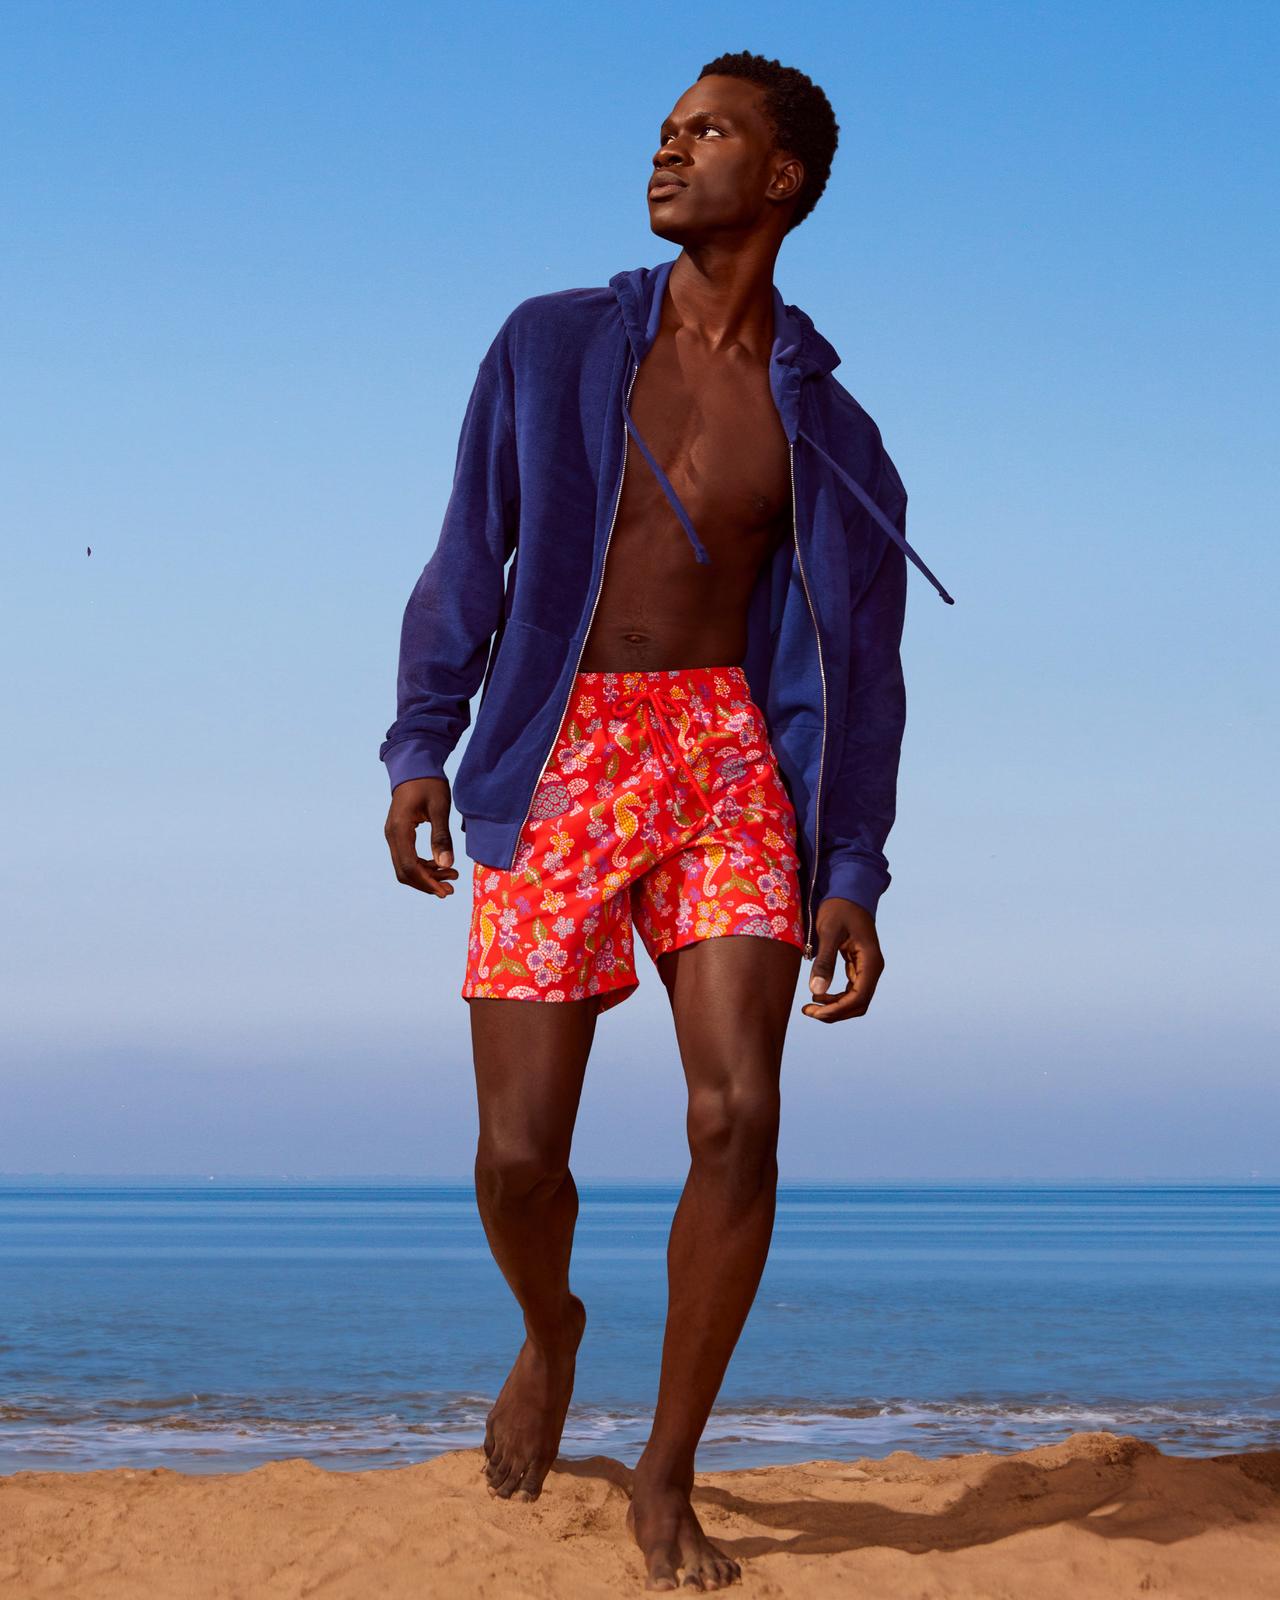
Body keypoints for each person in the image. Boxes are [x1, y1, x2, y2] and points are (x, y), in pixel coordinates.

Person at [381, 50, 953, 1593]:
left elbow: (864, 673)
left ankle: (667, 1467)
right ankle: (551, 1328)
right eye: (665, 126)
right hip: (557, 749)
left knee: (736, 1118)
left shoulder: (832, 432)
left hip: (725, 760)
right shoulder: (555, 346)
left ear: (779, 180)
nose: (668, 146)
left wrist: (851, 867)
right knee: (515, 1157)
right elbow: (468, 555)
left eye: (705, 131)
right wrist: (422, 739)